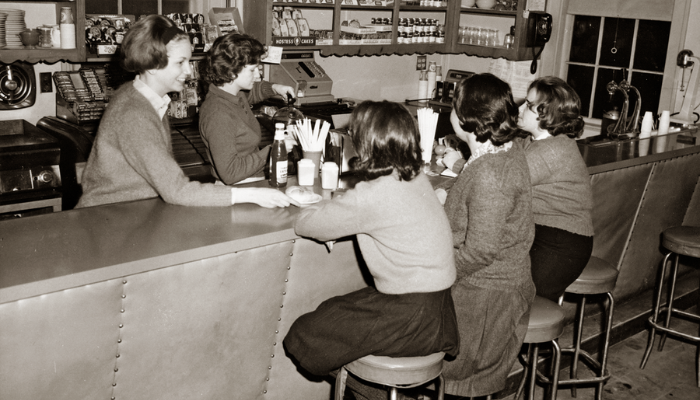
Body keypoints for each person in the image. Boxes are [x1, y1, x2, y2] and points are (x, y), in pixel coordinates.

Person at [284, 101, 460, 379]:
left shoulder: (374, 192)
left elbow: (308, 225)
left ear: (367, 143)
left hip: (410, 317)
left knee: (306, 332)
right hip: (439, 311)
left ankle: (355, 388)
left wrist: (303, 199)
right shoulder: (414, 176)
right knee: (333, 310)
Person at [76, 16, 297, 209]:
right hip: (108, 216)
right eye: (181, 62)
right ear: (152, 65)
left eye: (189, 61)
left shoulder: (143, 98)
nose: (188, 71)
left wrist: (274, 88)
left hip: (131, 211)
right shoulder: (134, 114)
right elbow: (176, 190)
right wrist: (252, 194)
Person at [435, 73, 535, 397]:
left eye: (454, 104)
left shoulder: (490, 174)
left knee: (456, 381)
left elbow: (479, 252)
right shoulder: (502, 153)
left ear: (465, 116)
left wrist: (435, 275)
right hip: (491, 287)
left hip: (486, 296)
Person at [517, 76, 594, 301]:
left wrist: (456, 163)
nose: (521, 108)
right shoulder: (534, 141)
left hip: (561, 243)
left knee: (516, 299)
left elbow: (503, 182)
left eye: (528, 105)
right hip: (541, 233)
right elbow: (502, 163)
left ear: (547, 113)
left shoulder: (552, 150)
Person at [199, 34, 295, 185]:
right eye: (252, 70)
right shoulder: (218, 114)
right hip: (237, 190)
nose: (258, 75)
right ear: (231, 72)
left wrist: (276, 88)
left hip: (250, 183)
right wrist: (274, 149)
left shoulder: (232, 93)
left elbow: (253, 93)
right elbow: (230, 173)